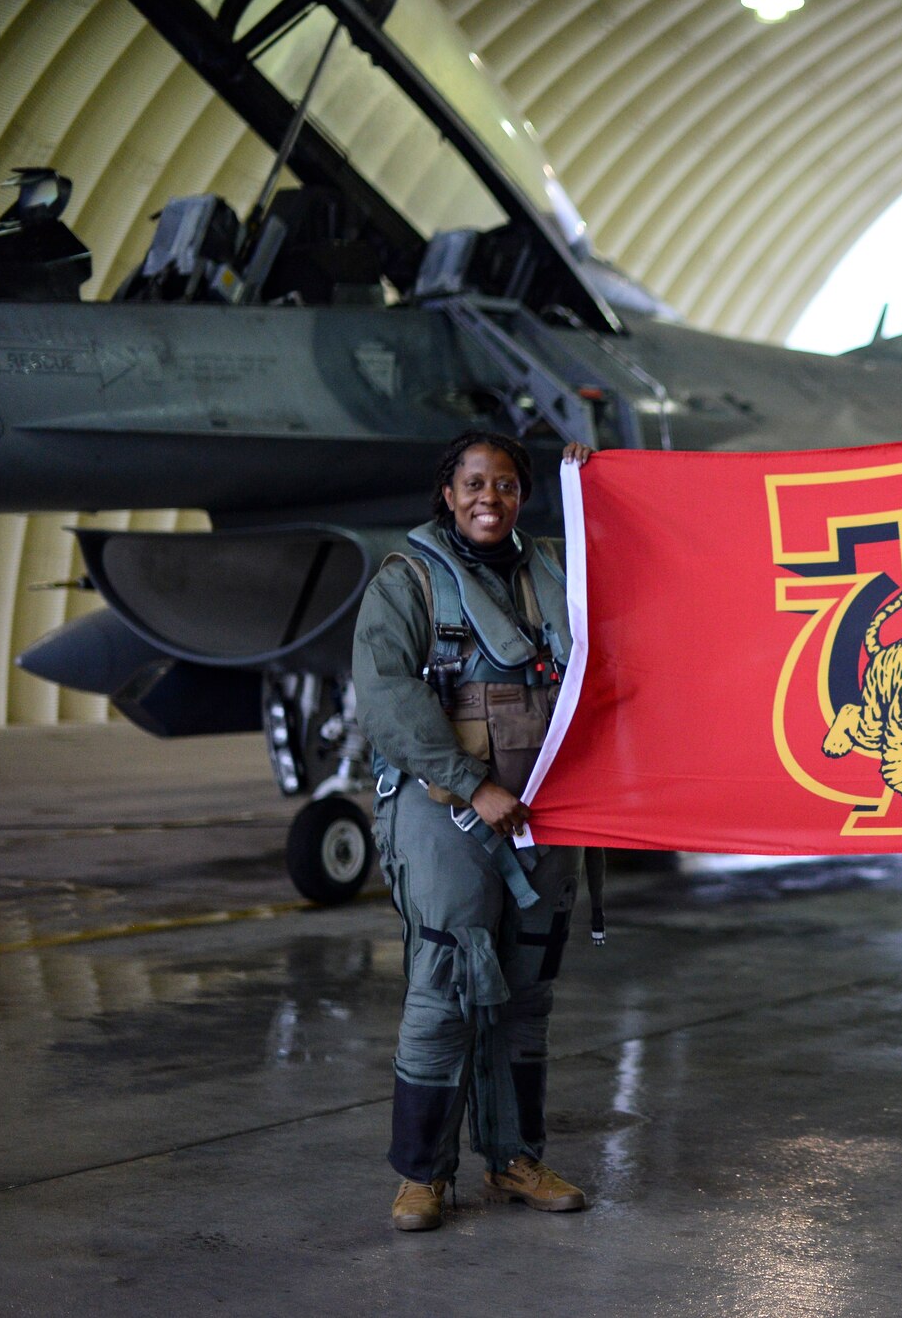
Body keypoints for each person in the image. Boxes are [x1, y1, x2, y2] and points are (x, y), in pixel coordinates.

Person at [353, 429, 593, 1232]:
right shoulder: (409, 580)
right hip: (445, 812)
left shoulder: (555, 571)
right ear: (448, 494)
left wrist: (594, 479)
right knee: (446, 988)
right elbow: (388, 695)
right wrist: (472, 785)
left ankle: (513, 1157)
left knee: (527, 998)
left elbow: (630, 566)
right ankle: (423, 1174)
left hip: (543, 812)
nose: (491, 498)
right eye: (475, 484)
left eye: (507, 485)